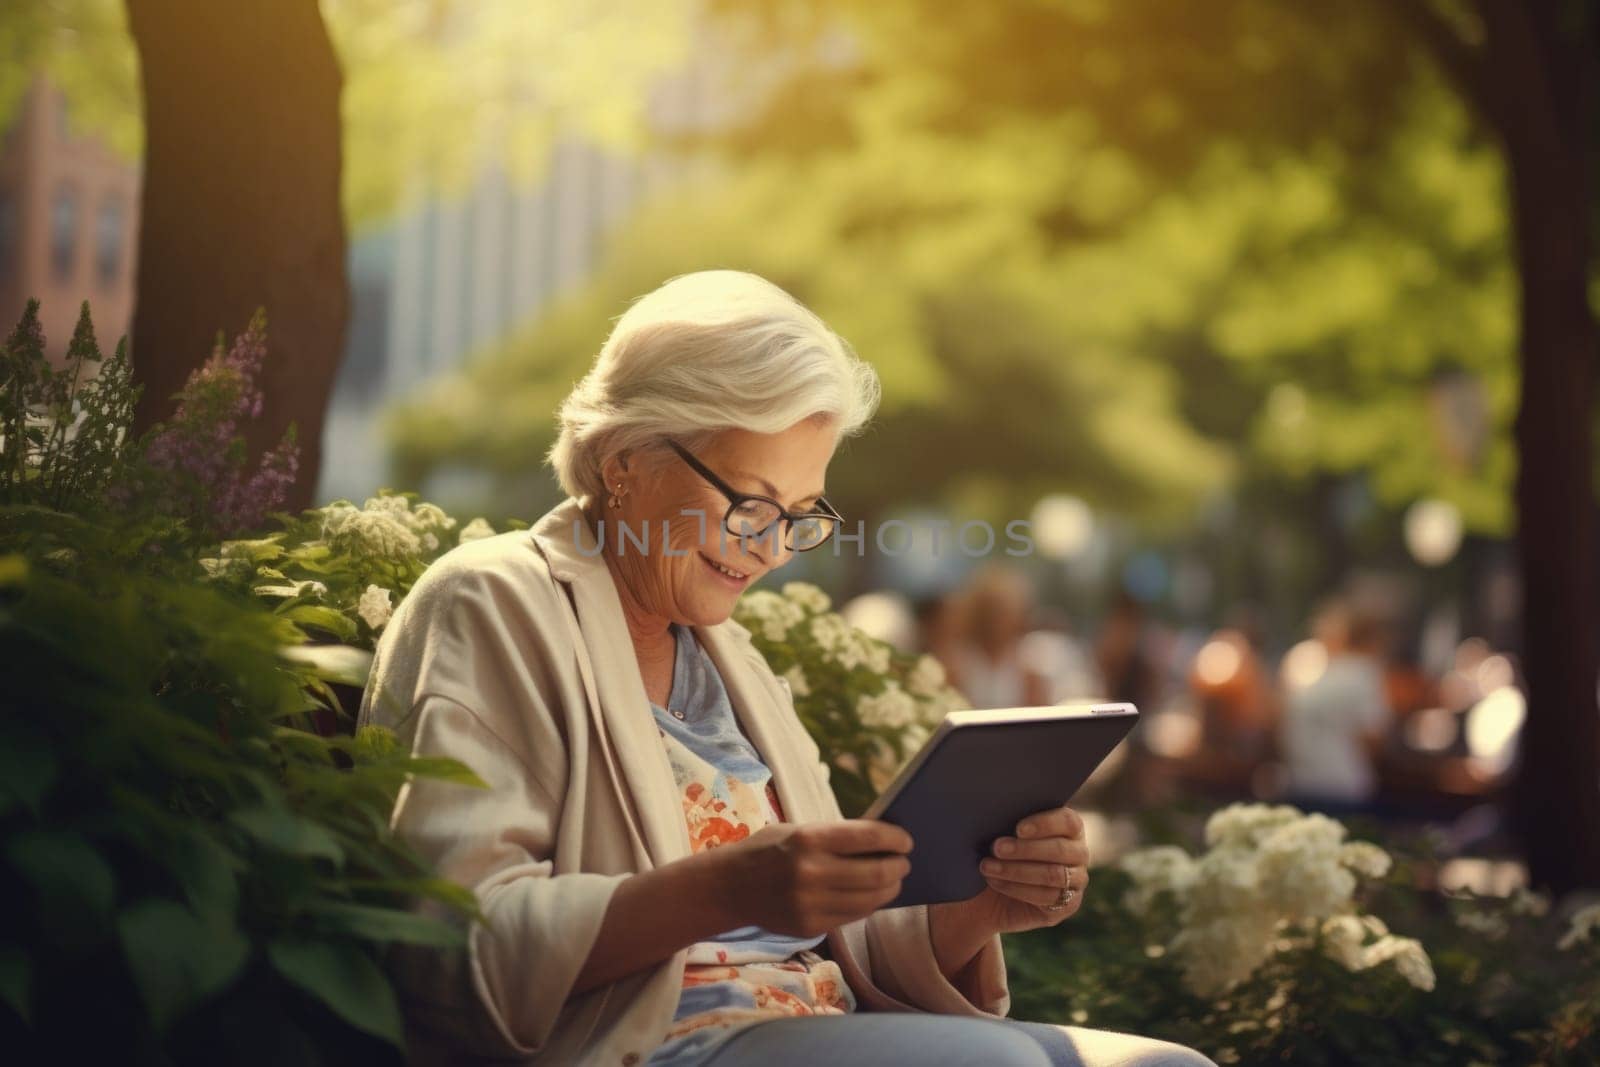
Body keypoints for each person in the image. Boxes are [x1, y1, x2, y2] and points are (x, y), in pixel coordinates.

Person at [360, 271, 1214, 1067]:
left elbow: (833, 941)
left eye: (800, 514)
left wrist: (979, 906)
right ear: (624, 460)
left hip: (810, 1024)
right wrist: (720, 889)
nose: (771, 549)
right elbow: (450, 946)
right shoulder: (497, 599)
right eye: (749, 502)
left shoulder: (732, 657)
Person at [1279, 599, 1393, 813]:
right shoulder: (1364, 673)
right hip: (1343, 787)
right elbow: (1374, 737)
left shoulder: (1313, 671)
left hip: (1302, 782)